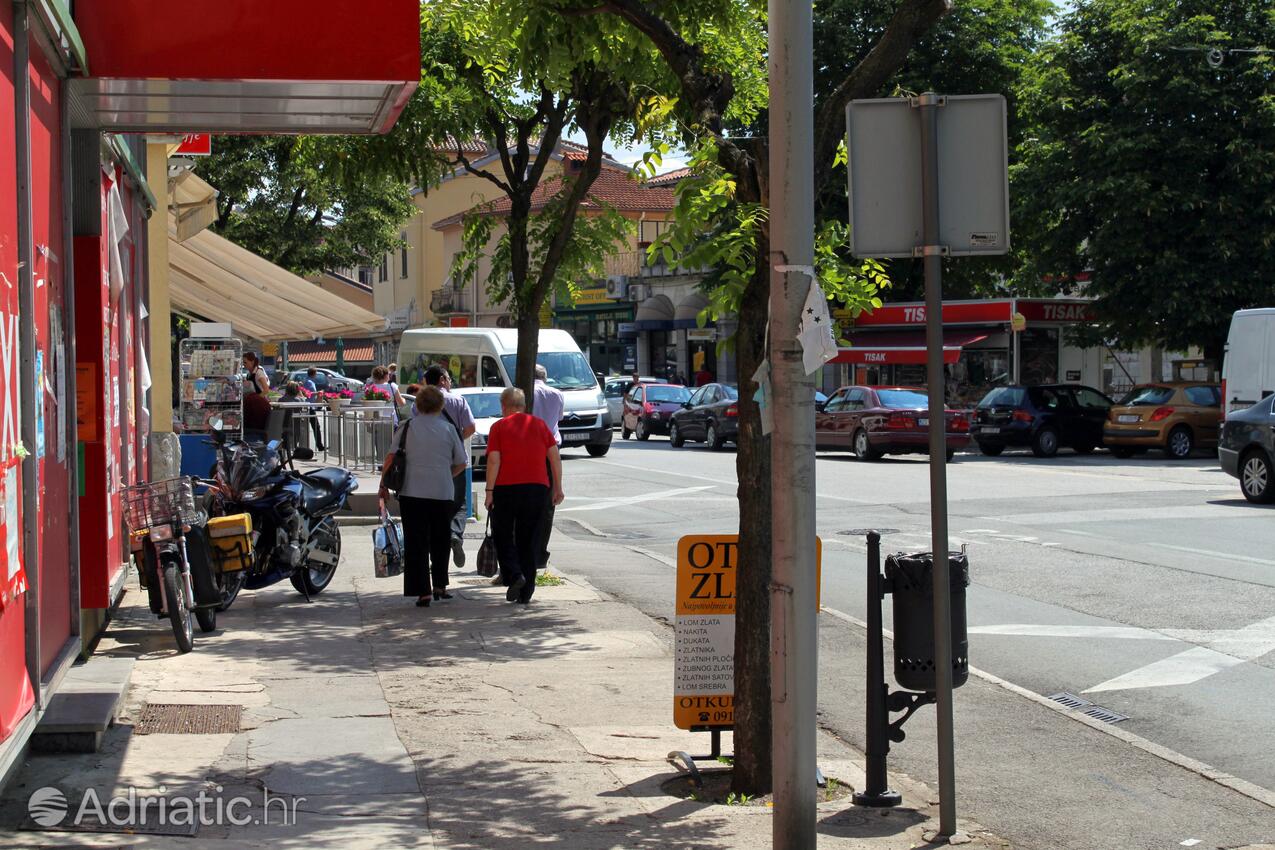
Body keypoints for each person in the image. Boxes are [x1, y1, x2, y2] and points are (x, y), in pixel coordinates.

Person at [379, 386, 467, 608]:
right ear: (440, 405)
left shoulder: (407, 427)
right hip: (442, 491)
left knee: (416, 541)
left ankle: (422, 591)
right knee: (441, 538)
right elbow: (461, 462)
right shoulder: (448, 429)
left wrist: (383, 485)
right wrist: (447, 474)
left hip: (412, 491)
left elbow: (391, 457)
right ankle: (440, 584)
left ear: (417, 405)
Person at [484, 387, 563, 605]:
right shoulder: (539, 425)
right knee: (528, 539)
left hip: (506, 488)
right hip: (537, 489)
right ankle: (526, 591)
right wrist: (557, 487)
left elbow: (494, 461)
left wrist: (489, 491)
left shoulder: (498, 427)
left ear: (503, 406)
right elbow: (555, 458)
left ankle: (514, 574)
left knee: (503, 535)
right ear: (524, 406)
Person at [423, 364, 476, 567]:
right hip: (455, 459)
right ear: (443, 380)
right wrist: (454, 439)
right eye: (449, 378)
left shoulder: (421, 402)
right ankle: (454, 534)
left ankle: (433, 555)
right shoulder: (457, 400)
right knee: (459, 503)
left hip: (429, 460)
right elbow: (471, 427)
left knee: (432, 505)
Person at [531, 363, 564, 569]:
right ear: (545, 377)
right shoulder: (557, 394)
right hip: (551, 450)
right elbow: (558, 418)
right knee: (547, 505)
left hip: (528, 450)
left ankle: (525, 549)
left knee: (527, 502)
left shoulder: (524, 392)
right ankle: (540, 553)